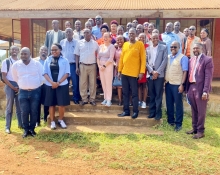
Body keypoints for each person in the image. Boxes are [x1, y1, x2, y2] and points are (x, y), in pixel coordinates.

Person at [11, 47, 43, 138]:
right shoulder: (16, 65)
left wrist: (34, 85)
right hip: (23, 92)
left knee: (34, 111)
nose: (23, 55)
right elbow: (15, 78)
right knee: (24, 111)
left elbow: (42, 77)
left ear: (30, 55)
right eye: (21, 54)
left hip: (35, 91)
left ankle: (32, 129)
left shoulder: (37, 64)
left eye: (25, 54)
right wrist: (23, 85)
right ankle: (25, 130)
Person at [186, 43, 214, 139]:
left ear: (201, 48)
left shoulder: (207, 60)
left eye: (197, 48)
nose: (195, 50)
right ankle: (194, 128)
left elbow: (208, 77)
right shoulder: (191, 60)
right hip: (191, 87)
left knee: (201, 110)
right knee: (194, 109)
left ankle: (200, 131)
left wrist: (205, 91)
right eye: (193, 48)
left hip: (201, 88)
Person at [118, 28, 146, 119]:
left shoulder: (140, 44)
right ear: (128, 34)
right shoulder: (125, 44)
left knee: (134, 93)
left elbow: (143, 59)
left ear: (136, 34)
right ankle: (126, 111)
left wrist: (142, 72)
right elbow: (122, 58)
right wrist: (119, 70)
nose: (131, 35)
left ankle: (135, 111)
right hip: (124, 72)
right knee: (125, 93)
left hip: (134, 74)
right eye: (130, 33)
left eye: (133, 33)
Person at [43, 43, 70, 130]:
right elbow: (45, 73)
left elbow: (67, 73)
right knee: (51, 104)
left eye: (55, 50)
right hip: (50, 85)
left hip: (62, 85)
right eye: (52, 50)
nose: (53, 51)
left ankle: (61, 120)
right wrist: (52, 83)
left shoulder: (65, 60)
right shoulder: (47, 60)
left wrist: (58, 83)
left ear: (60, 50)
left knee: (61, 104)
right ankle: (52, 121)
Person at [165, 41, 189, 131]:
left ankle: (178, 124)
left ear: (179, 48)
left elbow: (185, 71)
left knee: (178, 104)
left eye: (175, 47)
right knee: (169, 103)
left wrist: (182, 84)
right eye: (171, 47)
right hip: (168, 84)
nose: (173, 49)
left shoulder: (183, 58)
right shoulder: (168, 57)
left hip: (177, 85)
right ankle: (170, 121)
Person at [74, 29, 99, 106]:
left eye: (87, 32)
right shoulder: (79, 43)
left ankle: (92, 99)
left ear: (90, 34)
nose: (86, 34)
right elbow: (77, 55)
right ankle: (84, 99)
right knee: (83, 83)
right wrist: (77, 67)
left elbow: (99, 54)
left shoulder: (95, 43)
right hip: (83, 65)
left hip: (92, 65)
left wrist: (98, 66)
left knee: (93, 83)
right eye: (84, 33)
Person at [1, 46, 22, 134]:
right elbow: (4, 77)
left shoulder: (20, 62)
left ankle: (21, 125)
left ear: (18, 51)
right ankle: (7, 127)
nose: (14, 51)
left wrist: (20, 86)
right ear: (10, 51)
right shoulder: (6, 61)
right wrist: (12, 87)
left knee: (19, 107)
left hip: (19, 85)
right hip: (9, 85)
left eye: (16, 49)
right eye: (12, 49)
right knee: (9, 107)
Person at [147, 33, 168, 120]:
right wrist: (152, 71)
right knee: (151, 94)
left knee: (158, 95)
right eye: (153, 38)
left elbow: (165, 60)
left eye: (156, 38)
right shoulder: (147, 49)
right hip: (150, 74)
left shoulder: (163, 48)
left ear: (158, 39)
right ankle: (152, 112)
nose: (155, 39)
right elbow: (145, 62)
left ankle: (158, 113)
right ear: (151, 39)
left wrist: (157, 72)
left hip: (159, 76)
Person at [60, 28, 80, 104]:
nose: (68, 33)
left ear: (72, 33)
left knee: (75, 83)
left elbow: (77, 54)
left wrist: (77, 67)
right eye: (67, 32)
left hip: (73, 65)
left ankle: (76, 98)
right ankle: (65, 98)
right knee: (65, 82)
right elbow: (60, 54)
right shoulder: (62, 42)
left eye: (69, 32)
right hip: (64, 66)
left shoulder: (76, 42)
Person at [97, 32, 116, 107]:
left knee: (108, 83)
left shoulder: (112, 47)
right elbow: (98, 57)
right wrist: (99, 65)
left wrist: (104, 66)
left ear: (110, 38)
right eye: (104, 37)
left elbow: (111, 58)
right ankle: (105, 98)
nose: (105, 38)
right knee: (103, 83)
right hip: (101, 67)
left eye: (106, 37)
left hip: (108, 66)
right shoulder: (100, 46)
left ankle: (109, 99)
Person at [33, 46, 49, 125]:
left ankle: (46, 118)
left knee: (46, 102)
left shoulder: (50, 60)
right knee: (37, 102)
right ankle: (37, 121)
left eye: (45, 50)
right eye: (42, 50)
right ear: (39, 51)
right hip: (37, 84)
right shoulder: (34, 61)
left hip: (47, 84)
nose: (44, 51)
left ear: (47, 52)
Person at [137, 33, 148, 109]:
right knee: (138, 85)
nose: (141, 39)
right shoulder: (136, 46)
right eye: (140, 37)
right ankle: (139, 100)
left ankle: (144, 101)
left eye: (143, 37)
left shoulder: (147, 47)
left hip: (145, 68)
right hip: (137, 68)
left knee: (144, 85)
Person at [114, 35, 125, 106]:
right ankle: (120, 100)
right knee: (118, 85)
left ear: (124, 40)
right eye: (118, 40)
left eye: (121, 39)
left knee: (125, 85)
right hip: (117, 69)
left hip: (125, 68)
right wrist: (115, 64)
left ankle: (127, 100)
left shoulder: (126, 48)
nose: (119, 41)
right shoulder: (115, 49)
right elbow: (112, 59)